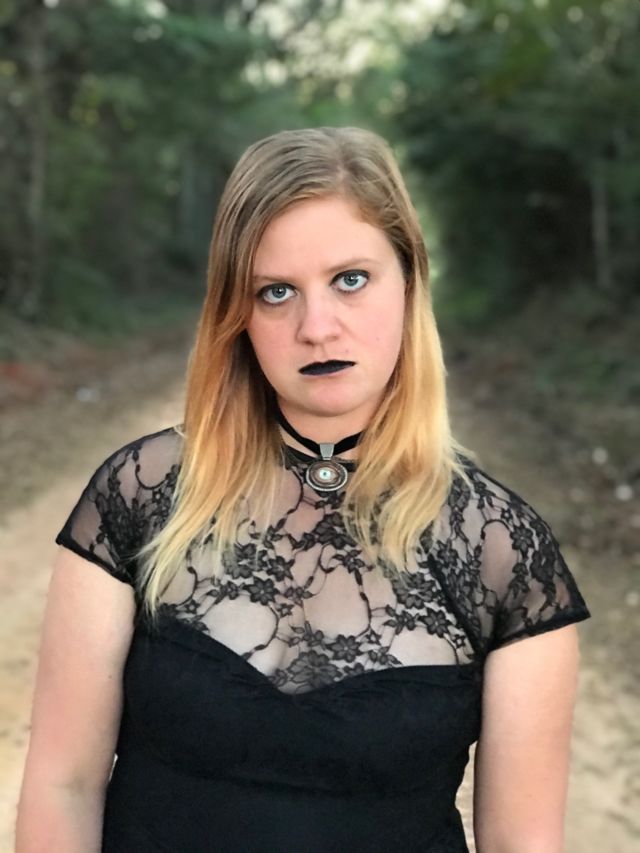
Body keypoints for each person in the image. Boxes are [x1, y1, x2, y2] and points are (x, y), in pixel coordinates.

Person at [16, 126, 590, 853]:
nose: (317, 327)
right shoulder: (139, 496)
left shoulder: (504, 552)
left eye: (350, 279)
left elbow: (520, 844)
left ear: (410, 281)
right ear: (238, 315)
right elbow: (63, 785)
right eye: (276, 292)